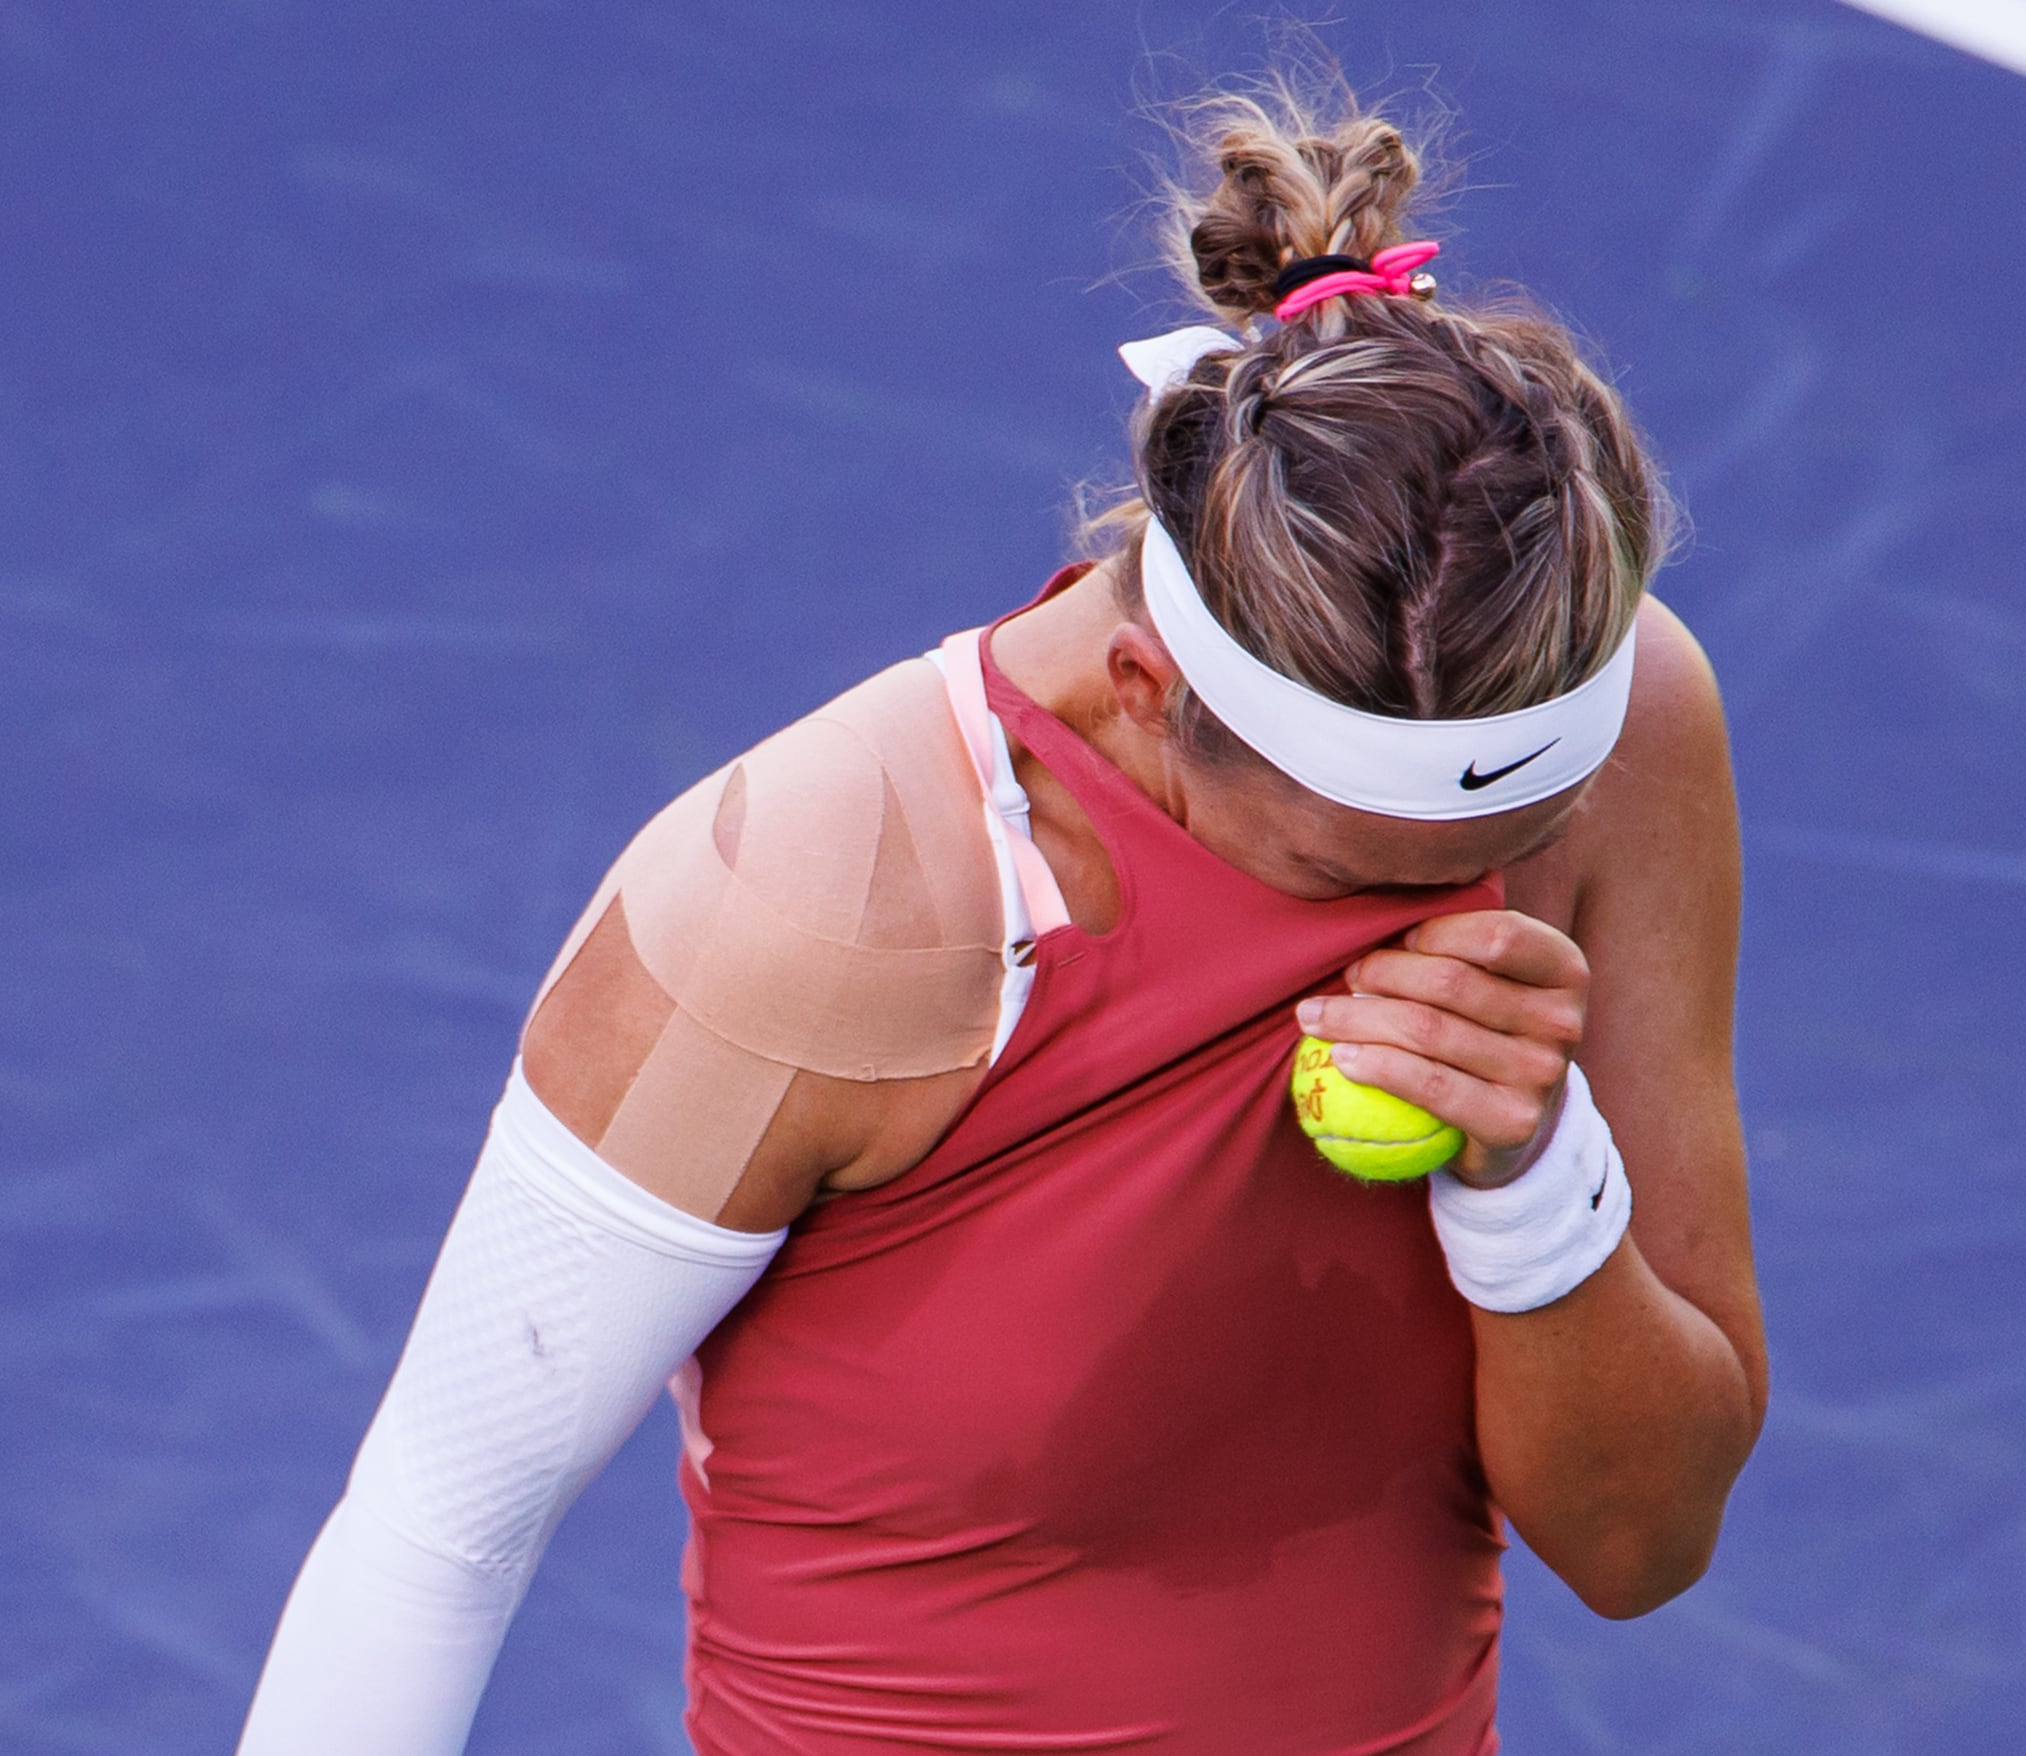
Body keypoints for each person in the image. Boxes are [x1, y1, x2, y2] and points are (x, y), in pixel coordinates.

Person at [237, 70, 1766, 1756]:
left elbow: (1644, 1549)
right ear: (1142, 684)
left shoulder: (1635, 728)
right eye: (1345, 872)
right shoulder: (817, 898)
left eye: (1500, 841)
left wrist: (1534, 1179)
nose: (1422, 916)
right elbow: (433, 1540)